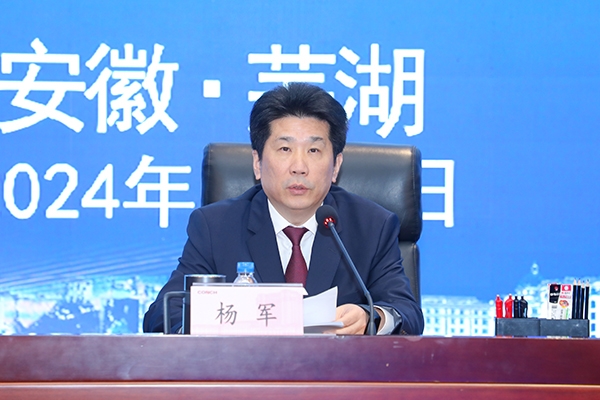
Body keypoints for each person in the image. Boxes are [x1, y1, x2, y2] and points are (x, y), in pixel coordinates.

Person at [143, 83, 424, 335]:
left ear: (336, 166)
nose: (299, 167)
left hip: (338, 375)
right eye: (285, 149)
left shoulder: (372, 226)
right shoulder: (215, 227)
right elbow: (163, 314)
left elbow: (407, 313)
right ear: (257, 162)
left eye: (314, 151)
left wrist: (371, 317)